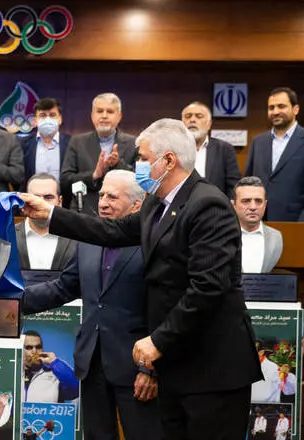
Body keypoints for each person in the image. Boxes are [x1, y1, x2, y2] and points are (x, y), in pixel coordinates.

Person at [20, 118, 262, 440]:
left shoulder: (208, 204)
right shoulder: (156, 204)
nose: (139, 166)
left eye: (144, 158)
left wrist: (157, 340)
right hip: (177, 367)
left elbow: (208, 288)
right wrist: (50, 214)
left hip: (212, 368)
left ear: (168, 160)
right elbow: (111, 231)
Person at [23, 170, 163, 440]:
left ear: (137, 205)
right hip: (91, 364)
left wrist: (150, 369)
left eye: (113, 197)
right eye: (101, 195)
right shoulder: (89, 239)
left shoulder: (153, 243)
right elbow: (63, 287)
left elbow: (161, 310)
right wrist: (14, 303)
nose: (103, 203)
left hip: (136, 368)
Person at [60, 92, 136, 213]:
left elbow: (139, 182)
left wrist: (118, 164)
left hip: (120, 214)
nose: (104, 116)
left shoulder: (133, 143)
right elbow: (65, 181)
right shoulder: (77, 142)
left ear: (119, 116)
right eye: (100, 111)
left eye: (110, 111)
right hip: (85, 212)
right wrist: (94, 175)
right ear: (92, 115)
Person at [244, 87, 304, 221]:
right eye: (271, 108)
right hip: (258, 221)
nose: (275, 112)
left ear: (296, 109)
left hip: (295, 222)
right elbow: (248, 182)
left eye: (281, 106)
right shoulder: (258, 141)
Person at [15, 173, 75, 271]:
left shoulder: (76, 239)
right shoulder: (7, 235)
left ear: (60, 202)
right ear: (24, 201)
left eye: (48, 197)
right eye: (35, 197)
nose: (41, 203)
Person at [181, 101, 240, 197]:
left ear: (209, 124)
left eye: (199, 116)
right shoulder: (172, 149)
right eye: (188, 116)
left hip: (215, 204)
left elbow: (233, 186)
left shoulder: (225, 149)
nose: (192, 120)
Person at [20, 98, 71, 196]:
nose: (48, 119)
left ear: (60, 119)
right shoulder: (22, 144)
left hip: (65, 200)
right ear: (35, 121)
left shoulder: (72, 143)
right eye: (42, 115)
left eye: (52, 115)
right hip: (32, 199)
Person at [231, 177, 283, 273]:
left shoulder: (275, 237)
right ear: (233, 205)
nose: (253, 207)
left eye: (258, 201)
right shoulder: (223, 235)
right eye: (246, 201)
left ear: (265, 205)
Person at [22, 330, 78, 403]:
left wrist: (55, 362)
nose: (34, 351)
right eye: (29, 347)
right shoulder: (14, 373)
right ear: (21, 349)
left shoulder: (55, 373)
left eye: (38, 347)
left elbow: (76, 389)